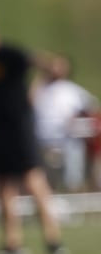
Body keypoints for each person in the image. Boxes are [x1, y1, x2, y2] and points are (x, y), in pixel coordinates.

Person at [0, 9, 71, 254]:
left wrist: (48, 72)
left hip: (21, 129)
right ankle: (13, 245)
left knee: (34, 184)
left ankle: (53, 242)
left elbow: (46, 64)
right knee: (4, 189)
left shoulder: (9, 55)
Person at [32, 51, 99, 192]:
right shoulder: (41, 89)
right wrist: (40, 78)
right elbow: (29, 102)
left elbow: (92, 109)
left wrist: (76, 121)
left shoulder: (71, 90)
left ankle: (74, 187)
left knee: (74, 153)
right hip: (41, 140)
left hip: (66, 139)